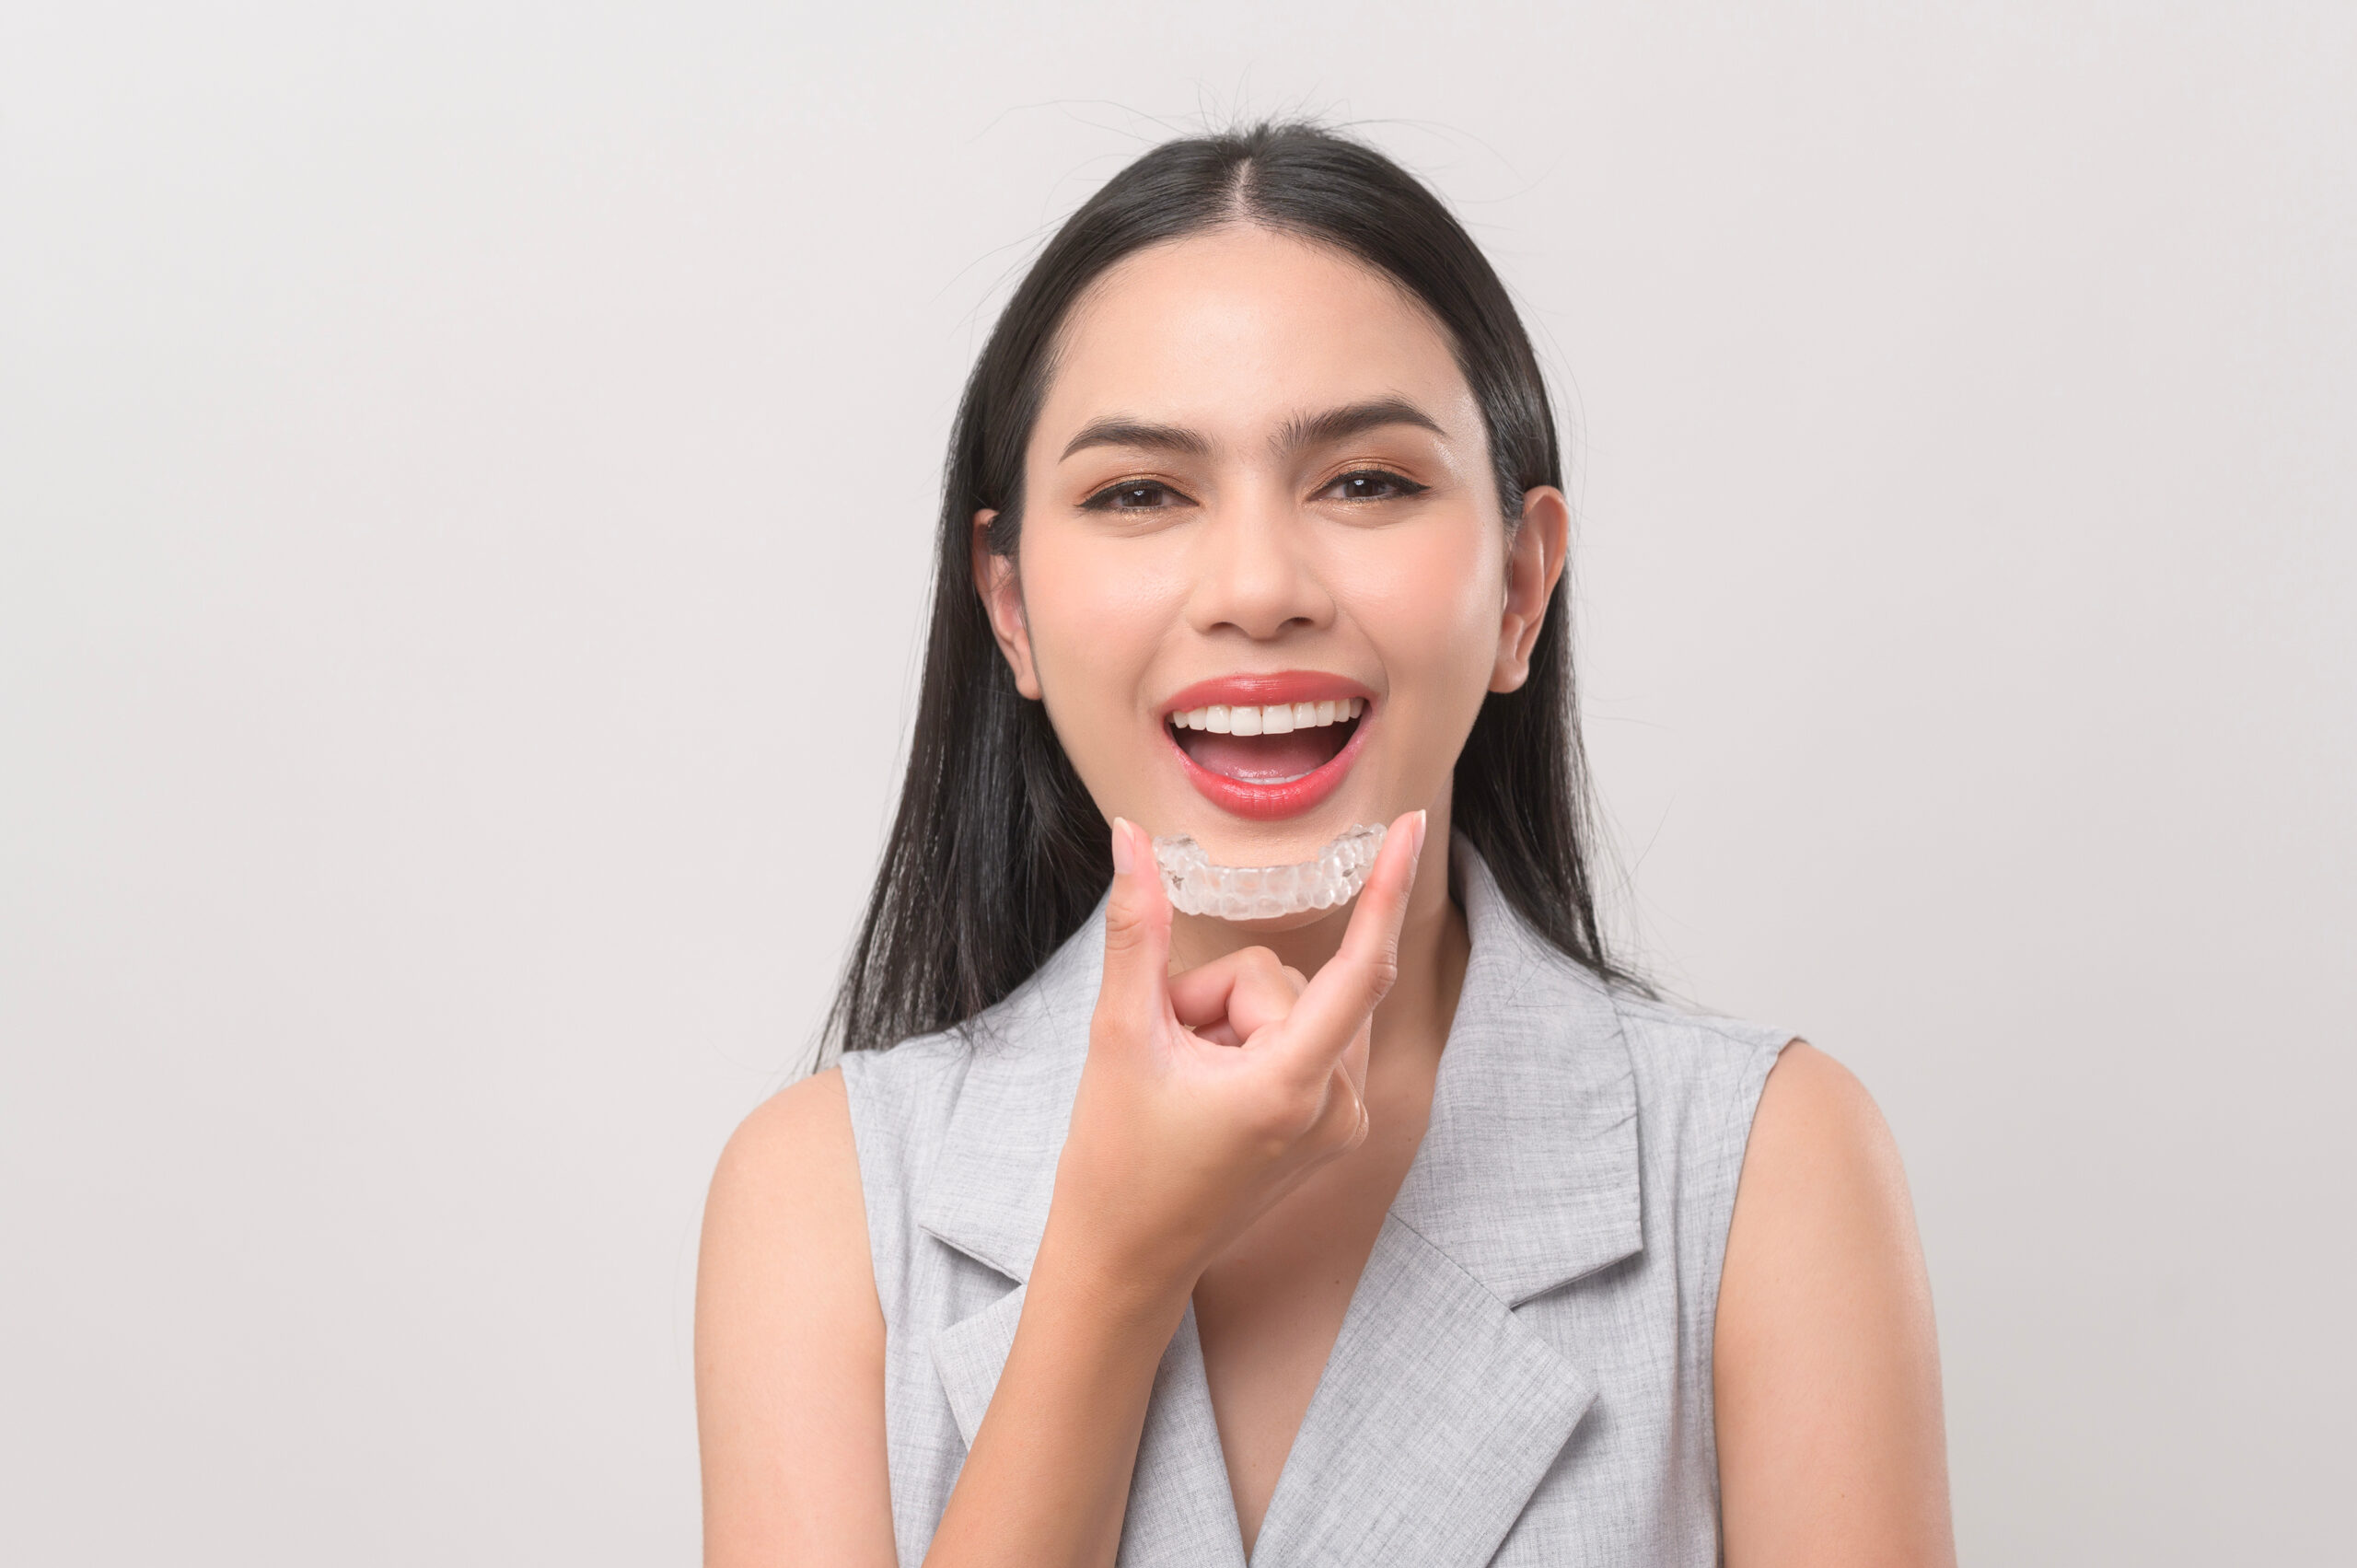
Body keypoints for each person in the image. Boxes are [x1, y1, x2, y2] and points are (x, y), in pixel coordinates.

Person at [695, 121, 1955, 1567]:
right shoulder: (827, 1197)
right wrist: (1111, 1264)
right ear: (1012, 610)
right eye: (1139, 494)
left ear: (1522, 587)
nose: (1256, 587)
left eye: (1365, 481)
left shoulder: (1758, 1169)